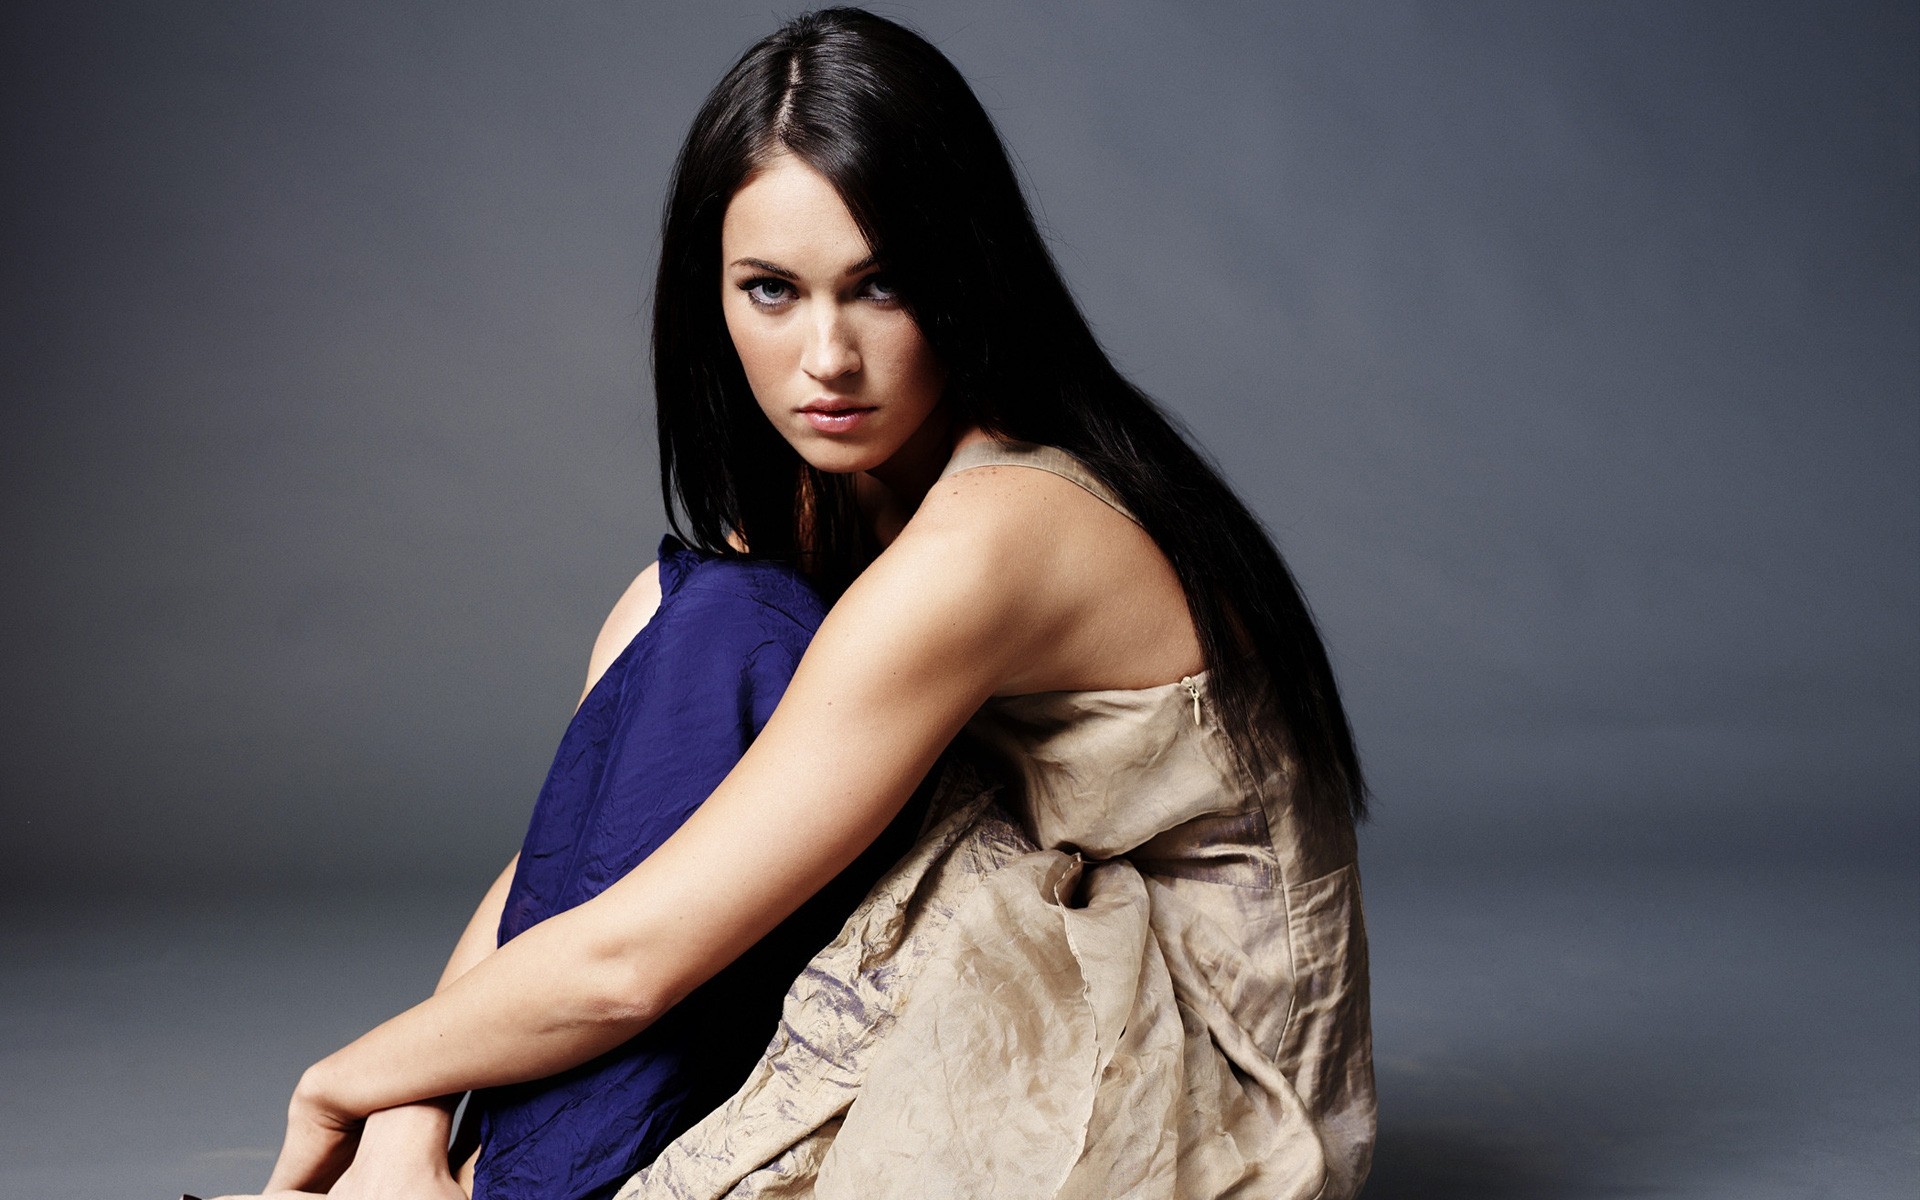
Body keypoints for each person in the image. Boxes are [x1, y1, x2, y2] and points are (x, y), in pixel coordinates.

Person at [216, 7, 1374, 1199]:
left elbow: (631, 959)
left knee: (715, 641)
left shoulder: (996, 534)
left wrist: (340, 1084)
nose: (827, 357)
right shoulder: (838, 502)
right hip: (1011, 959)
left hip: (1192, 1088)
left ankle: (495, 1190)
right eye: (771, 291)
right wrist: (409, 1107)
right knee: (683, 614)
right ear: (711, 298)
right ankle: (476, 1177)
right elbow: (590, 857)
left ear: (966, 278)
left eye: (882, 287)